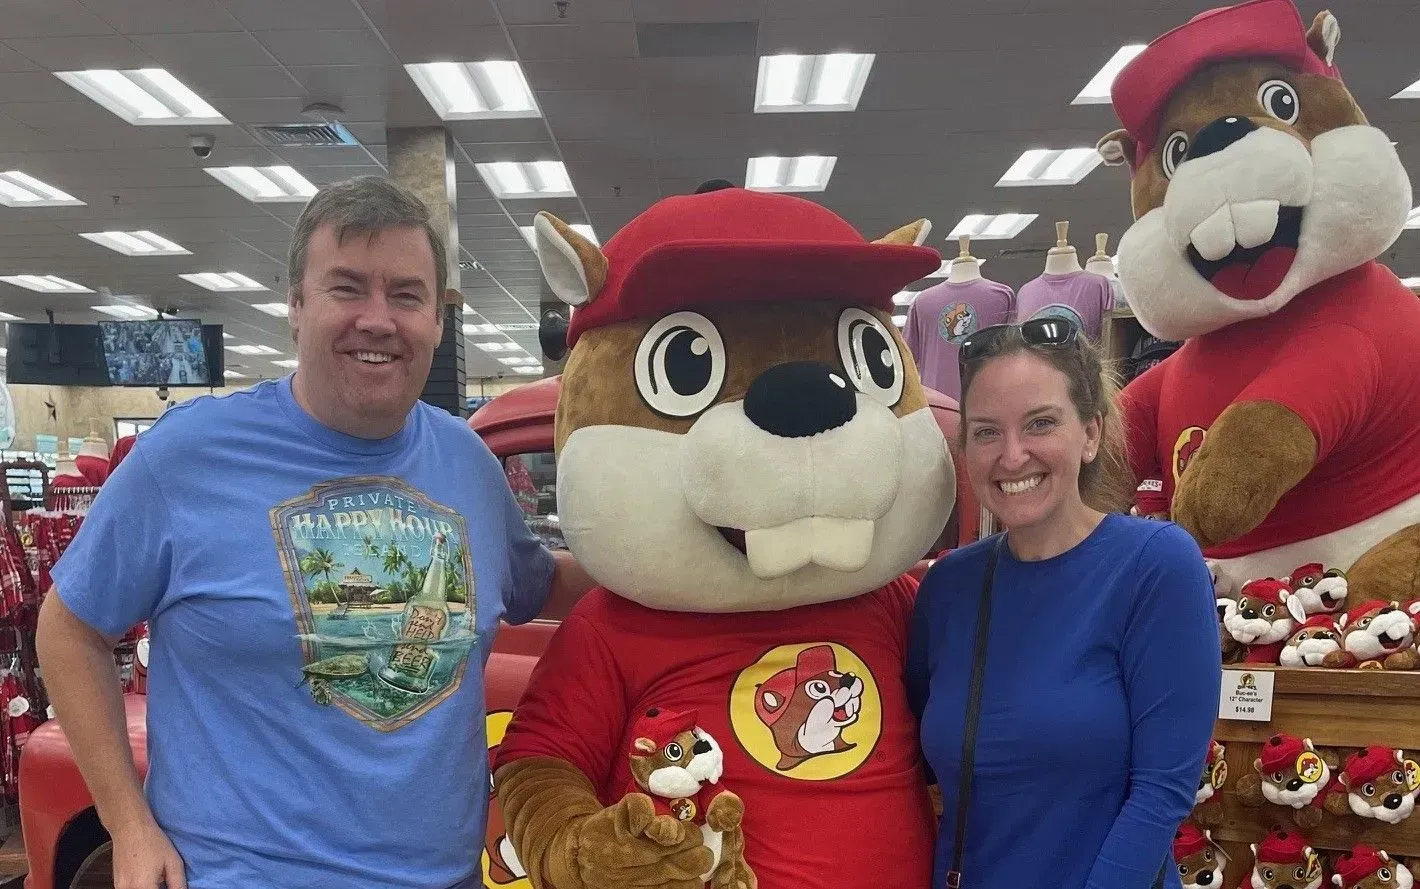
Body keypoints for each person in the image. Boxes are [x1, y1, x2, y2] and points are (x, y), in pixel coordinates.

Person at [35, 176, 593, 889]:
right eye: (347, 287)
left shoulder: (467, 464)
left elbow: (540, 583)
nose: (378, 318)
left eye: (406, 295)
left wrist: (682, 572)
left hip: (443, 876)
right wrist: (128, 822)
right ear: (295, 306)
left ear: (437, 323)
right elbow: (68, 626)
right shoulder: (187, 456)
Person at [906, 317, 1221, 889]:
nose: (1012, 455)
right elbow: (920, 769)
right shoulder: (949, 588)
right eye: (986, 432)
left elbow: (1160, 794)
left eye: (1040, 423)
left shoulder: (1155, 565)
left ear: (1091, 433)